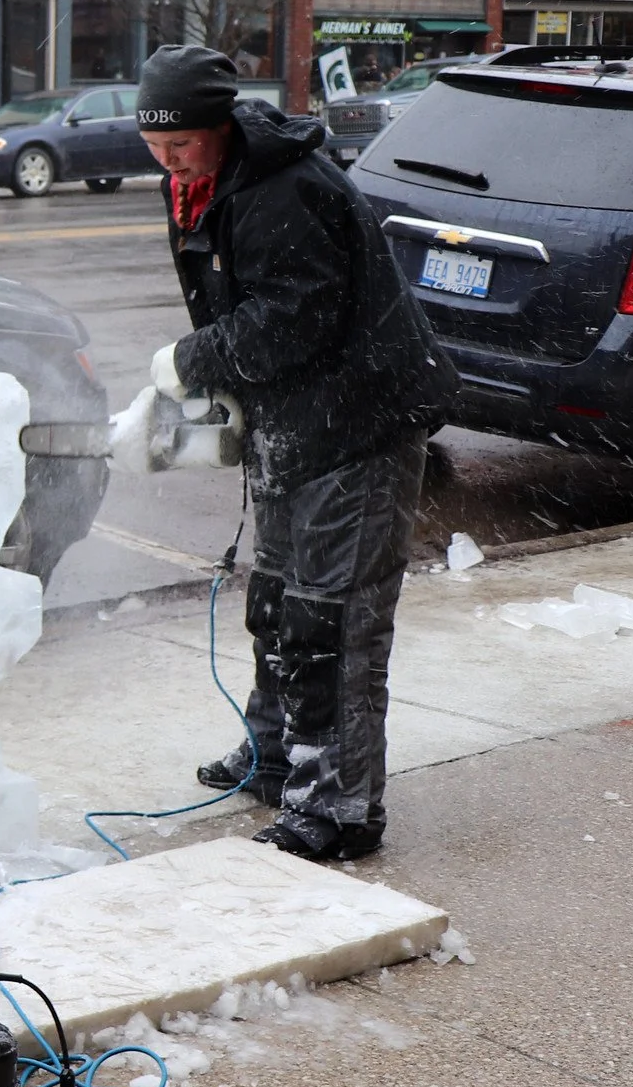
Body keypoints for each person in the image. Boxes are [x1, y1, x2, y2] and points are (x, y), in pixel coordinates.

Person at [135, 44, 457, 861]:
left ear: (220, 128)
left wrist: (193, 362)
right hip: (295, 419)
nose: (167, 163)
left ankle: (339, 807)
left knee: (334, 622)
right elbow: (236, 306)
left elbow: (292, 317)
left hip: (359, 425)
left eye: (180, 147)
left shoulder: (282, 190)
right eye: (155, 147)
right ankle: (277, 754)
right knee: (276, 602)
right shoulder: (206, 186)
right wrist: (224, 397)